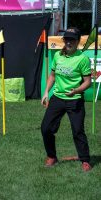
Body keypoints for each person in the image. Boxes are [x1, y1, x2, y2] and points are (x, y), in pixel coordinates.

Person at [41, 27, 92, 171]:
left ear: (78, 41)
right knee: (46, 128)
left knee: (77, 131)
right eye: (67, 39)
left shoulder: (82, 59)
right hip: (57, 98)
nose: (69, 42)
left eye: (72, 40)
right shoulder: (57, 55)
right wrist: (46, 92)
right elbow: (52, 75)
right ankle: (52, 156)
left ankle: (85, 160)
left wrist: (76, 90)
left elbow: (87, 82)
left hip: (75, 99)